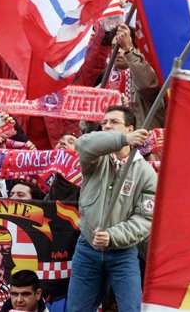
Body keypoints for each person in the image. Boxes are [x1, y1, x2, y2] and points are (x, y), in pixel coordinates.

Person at [67, 105, 157, 312]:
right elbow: (84, 143)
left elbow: (145, 220)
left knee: (131, 309)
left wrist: (112, 236)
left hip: (123, 254)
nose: (107, 126)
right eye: (104, 122)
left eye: (114, 122)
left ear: (130, 128)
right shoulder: (96, 158)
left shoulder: (147, 173)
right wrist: (123, 140)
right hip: (87, 247)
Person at [110, 24, 165, 129]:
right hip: (114, 144)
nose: (117, 50)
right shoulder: (104, 83)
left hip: (144, 142)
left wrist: (128, 50)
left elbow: (147, 85)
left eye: (121, 46)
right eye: (113, 47)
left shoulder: (148, 73)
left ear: (137, 50)